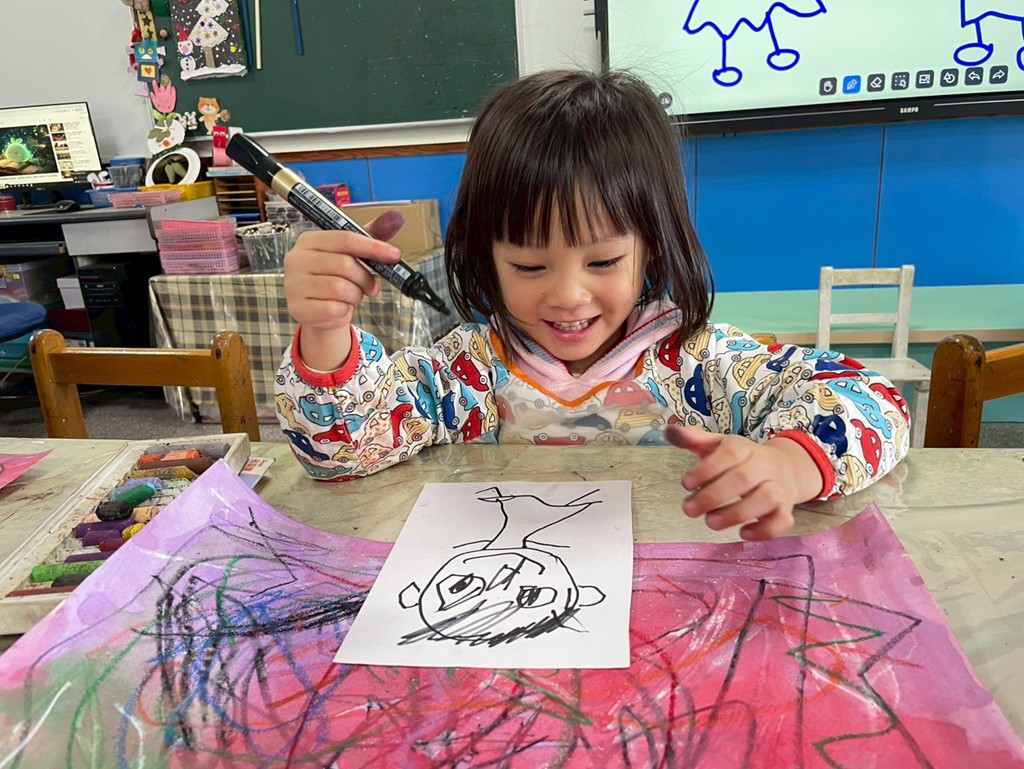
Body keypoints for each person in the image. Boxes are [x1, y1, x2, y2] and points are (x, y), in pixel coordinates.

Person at [275, 69, 909, 541]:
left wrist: (790, 465)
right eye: (529, 266)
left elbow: (873, 401)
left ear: (653, 246)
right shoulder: (464, 375)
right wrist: (326, 328)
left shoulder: (701, 364)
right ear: (484, 255)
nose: (568, 296)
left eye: (603, 262)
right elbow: (340, 452)